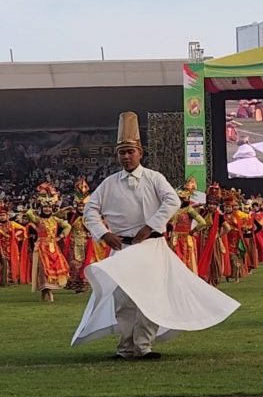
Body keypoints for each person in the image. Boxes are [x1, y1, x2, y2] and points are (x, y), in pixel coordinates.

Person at [73, 112, 240, 359]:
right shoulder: (109, 183)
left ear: (140, 153)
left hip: (150, 246)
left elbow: (172, 200)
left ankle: (144, 346)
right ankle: (125, 347)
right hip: (122, 248)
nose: (126, 157)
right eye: (122, 152)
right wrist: (104, 233)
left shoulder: (153, 178)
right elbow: (90, 210)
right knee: (124, 299)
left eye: (131, 152)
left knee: (150, 296)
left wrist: (150, 225)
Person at [25, 183, 71, 302]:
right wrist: (35, 203)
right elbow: (28, 214)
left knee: (53, 268)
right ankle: (45, 290)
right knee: (42, 268)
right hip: (40, 247)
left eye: (49, 207)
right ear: (41, 208)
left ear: (52, 208)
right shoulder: (38, 219)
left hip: (53, 246)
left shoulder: (55, 219)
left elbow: (67, 226)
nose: (47, 209)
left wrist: (60, 237)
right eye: (45, 207)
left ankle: (48, 290)